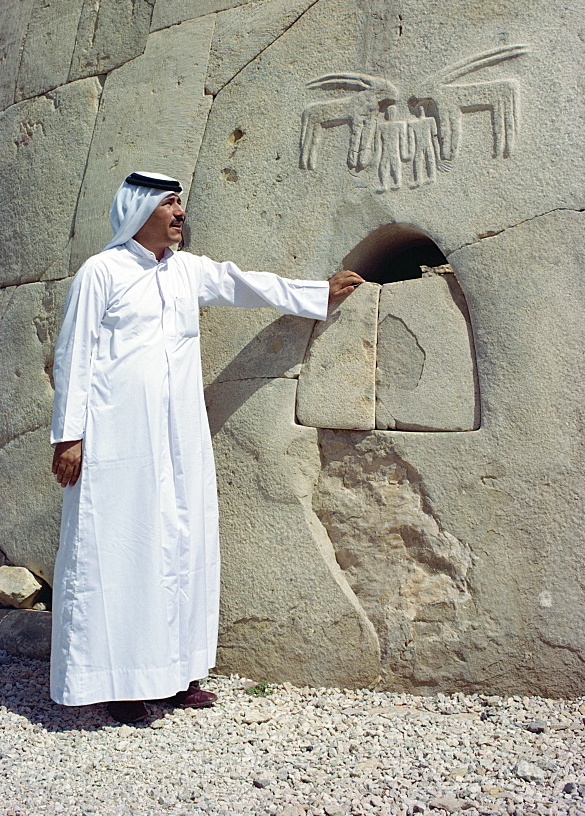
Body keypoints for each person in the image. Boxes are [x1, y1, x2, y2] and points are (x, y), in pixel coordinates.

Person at [50, 170, 364, 723]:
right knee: (125, 547)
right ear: (138, 210)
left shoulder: (186, 271)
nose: (179, 214)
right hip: (120, 436)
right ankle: (122, 683)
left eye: (180, 204)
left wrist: (320, 293)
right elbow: (75, 354)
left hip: (180, 434)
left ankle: (176, 674)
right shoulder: (102, 272)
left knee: (182, 544)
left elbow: (247, 286)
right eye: (169, 204)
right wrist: (68, 436)